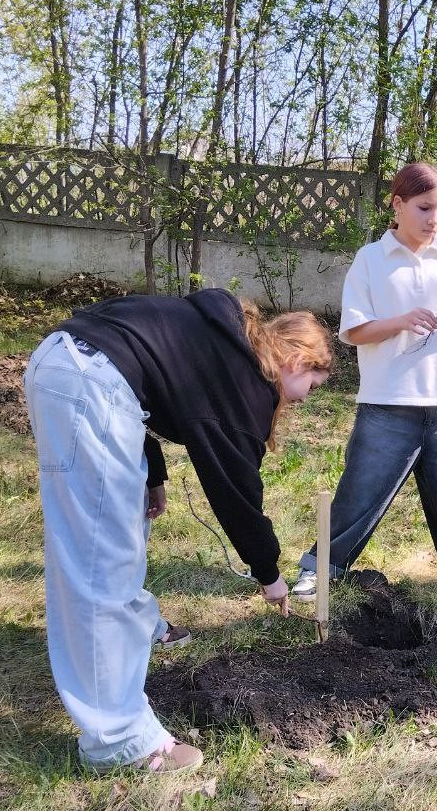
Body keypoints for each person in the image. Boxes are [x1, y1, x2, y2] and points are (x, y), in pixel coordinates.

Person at [24, 289, 334, 772]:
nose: (303, 399)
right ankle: (120, 740)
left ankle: (142, 628)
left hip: (72, 365)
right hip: (88, 385)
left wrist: (152, 475)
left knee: (117, 534)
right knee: (99, 563)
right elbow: (235, 493)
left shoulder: (224, 332)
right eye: (311, 386)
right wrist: (270, 575)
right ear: (295, 359)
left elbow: (150, 368)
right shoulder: (244, 383)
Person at [290, 161, 437, 602]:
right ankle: (321, 569)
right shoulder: (370, 260)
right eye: (425, 208)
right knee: (359, 492)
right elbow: (355, 332)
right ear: (398, 204)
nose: (434, 220)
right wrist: (401, 321)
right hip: (386, 402)